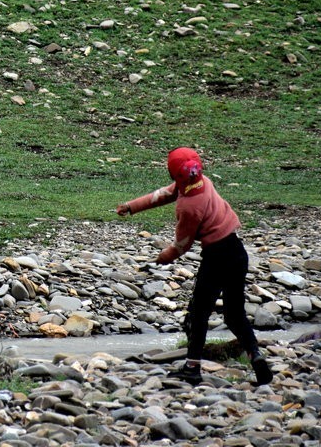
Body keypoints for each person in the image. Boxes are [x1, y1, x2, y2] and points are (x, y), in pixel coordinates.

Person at [117, 147, 274, 386]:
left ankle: (192, 368)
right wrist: (131, 206)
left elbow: (182, 245)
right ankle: (255, 355)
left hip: (217, 257)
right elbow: (166, 193)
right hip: (237, 252)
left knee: (198, 313)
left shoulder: (189, 207)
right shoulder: (201, 182)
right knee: (234, 314)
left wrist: (161, 258)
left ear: (174, 173)